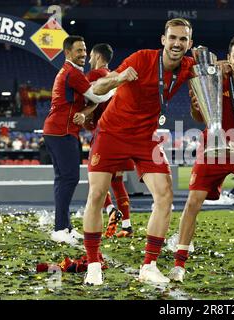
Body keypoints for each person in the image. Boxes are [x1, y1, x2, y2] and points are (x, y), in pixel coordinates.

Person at [82, 18, 195, 285]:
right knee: (97, 194)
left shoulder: (189, 66)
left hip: (146, 137)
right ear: (163, 39)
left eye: (183, 39)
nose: (177, 43)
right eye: (173, 38)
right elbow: (97, 89)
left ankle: (149, 265)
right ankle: (93, 264)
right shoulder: (142, 58)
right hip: (112, 133)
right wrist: (119, 78)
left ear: (189, 44)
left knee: (165, 195)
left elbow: (219, 70)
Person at [168, 35, 234, 283]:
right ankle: (179, 264)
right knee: (193, 202)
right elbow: (198, 116)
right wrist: (197, 106)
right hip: (213, 147)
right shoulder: (215, 77)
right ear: (228, 59)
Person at [43, 35, 114, 246]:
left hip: (59, 131)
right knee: (69, 179)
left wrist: (86, 110)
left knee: (64, 180)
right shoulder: (72, 73)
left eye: (85, 50)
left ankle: (64, 227)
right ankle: (60, 228)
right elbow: (98, 97)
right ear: (67, 53)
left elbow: (89, 101)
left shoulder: (71, 72)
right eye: (79, 51)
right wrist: (118, 87)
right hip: (61, 132)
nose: (83, 54)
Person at [84, 43, 134, 239]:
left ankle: (110, 209)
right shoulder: (117, 76)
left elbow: (88, 105)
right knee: (117, 180)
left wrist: (85, 119)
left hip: (103, 135)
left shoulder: (94, 77)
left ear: (96, 56)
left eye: (89, 56)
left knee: (96, 179)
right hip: (122, 134)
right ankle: (127, 226)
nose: (88, 60)